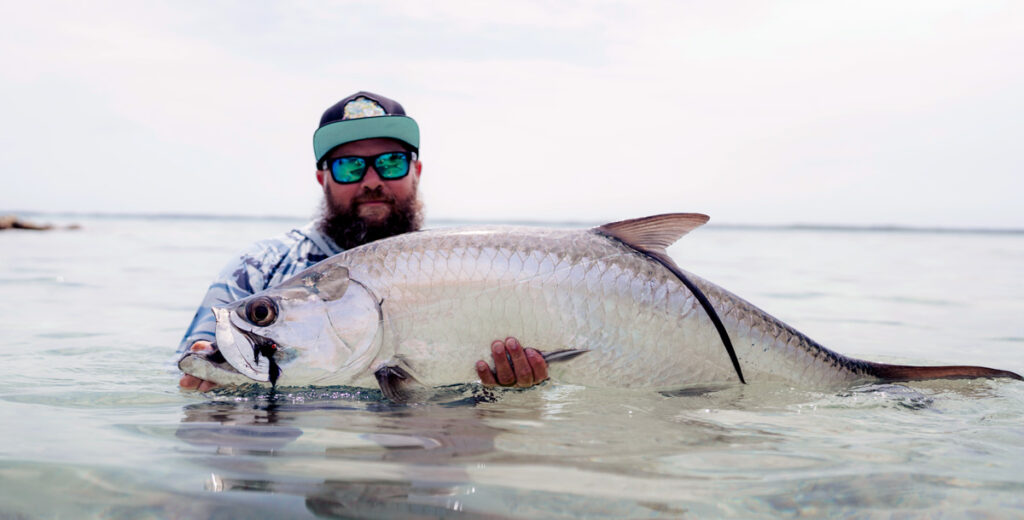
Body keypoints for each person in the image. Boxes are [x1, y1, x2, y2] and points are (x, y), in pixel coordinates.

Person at [178, 91, 548, 392]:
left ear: (416, 172)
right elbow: (191, 367)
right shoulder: (260, 269)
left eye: (391, 163)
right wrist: (211, 380)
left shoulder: (467, 270)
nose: (371, 180)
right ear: (322, 178)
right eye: (349, 166)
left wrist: (516, 391)